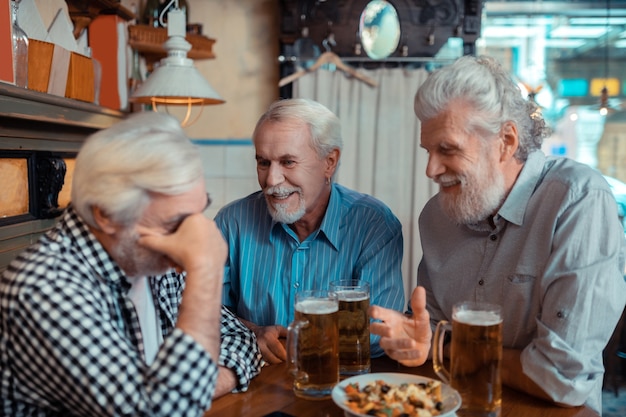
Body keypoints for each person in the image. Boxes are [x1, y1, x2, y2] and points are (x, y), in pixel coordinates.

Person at [369, 55, 626, 414]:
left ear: (506, 141)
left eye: (448, 149)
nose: (430, 169)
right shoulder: (435, 217)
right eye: (429, 151)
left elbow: (561, 380)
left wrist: (452, 349)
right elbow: (430, 339)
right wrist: (416, 343)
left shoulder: (578, 200)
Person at [0, 112, 263, 417]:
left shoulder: (149, 257)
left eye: (197, 212)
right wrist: (205, 270)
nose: (192, 235)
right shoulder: (43, 287)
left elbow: (242, 339)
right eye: (176, 222)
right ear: (106, 215)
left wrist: (202, 385)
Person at [215, 98, 405, 363]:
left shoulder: (373, 224)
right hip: (255, 381)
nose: (271, 180)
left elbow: (379, 334)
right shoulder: (231, 221)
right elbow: (207, 313)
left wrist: (296, 340)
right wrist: (254, 332)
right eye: (263, 163)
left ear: (330, 162)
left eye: (288, 162)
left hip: (342, 383)